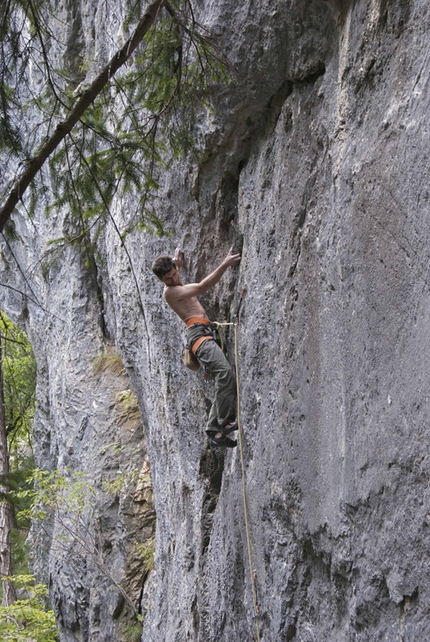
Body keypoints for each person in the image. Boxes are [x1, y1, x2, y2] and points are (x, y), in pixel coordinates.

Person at [152, 247, 241, 447]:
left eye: (175, 274)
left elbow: (177, 274)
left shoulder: (175, 279)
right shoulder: (170, 292)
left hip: (203, 333)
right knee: (225, 372)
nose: (174, 280)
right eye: (168, 279)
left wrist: (178, 263)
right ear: (161, 281)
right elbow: (201, 287)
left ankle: (214, 432)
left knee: (222, 377)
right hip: (198, 336)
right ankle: (226, 422)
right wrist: (225, 263)